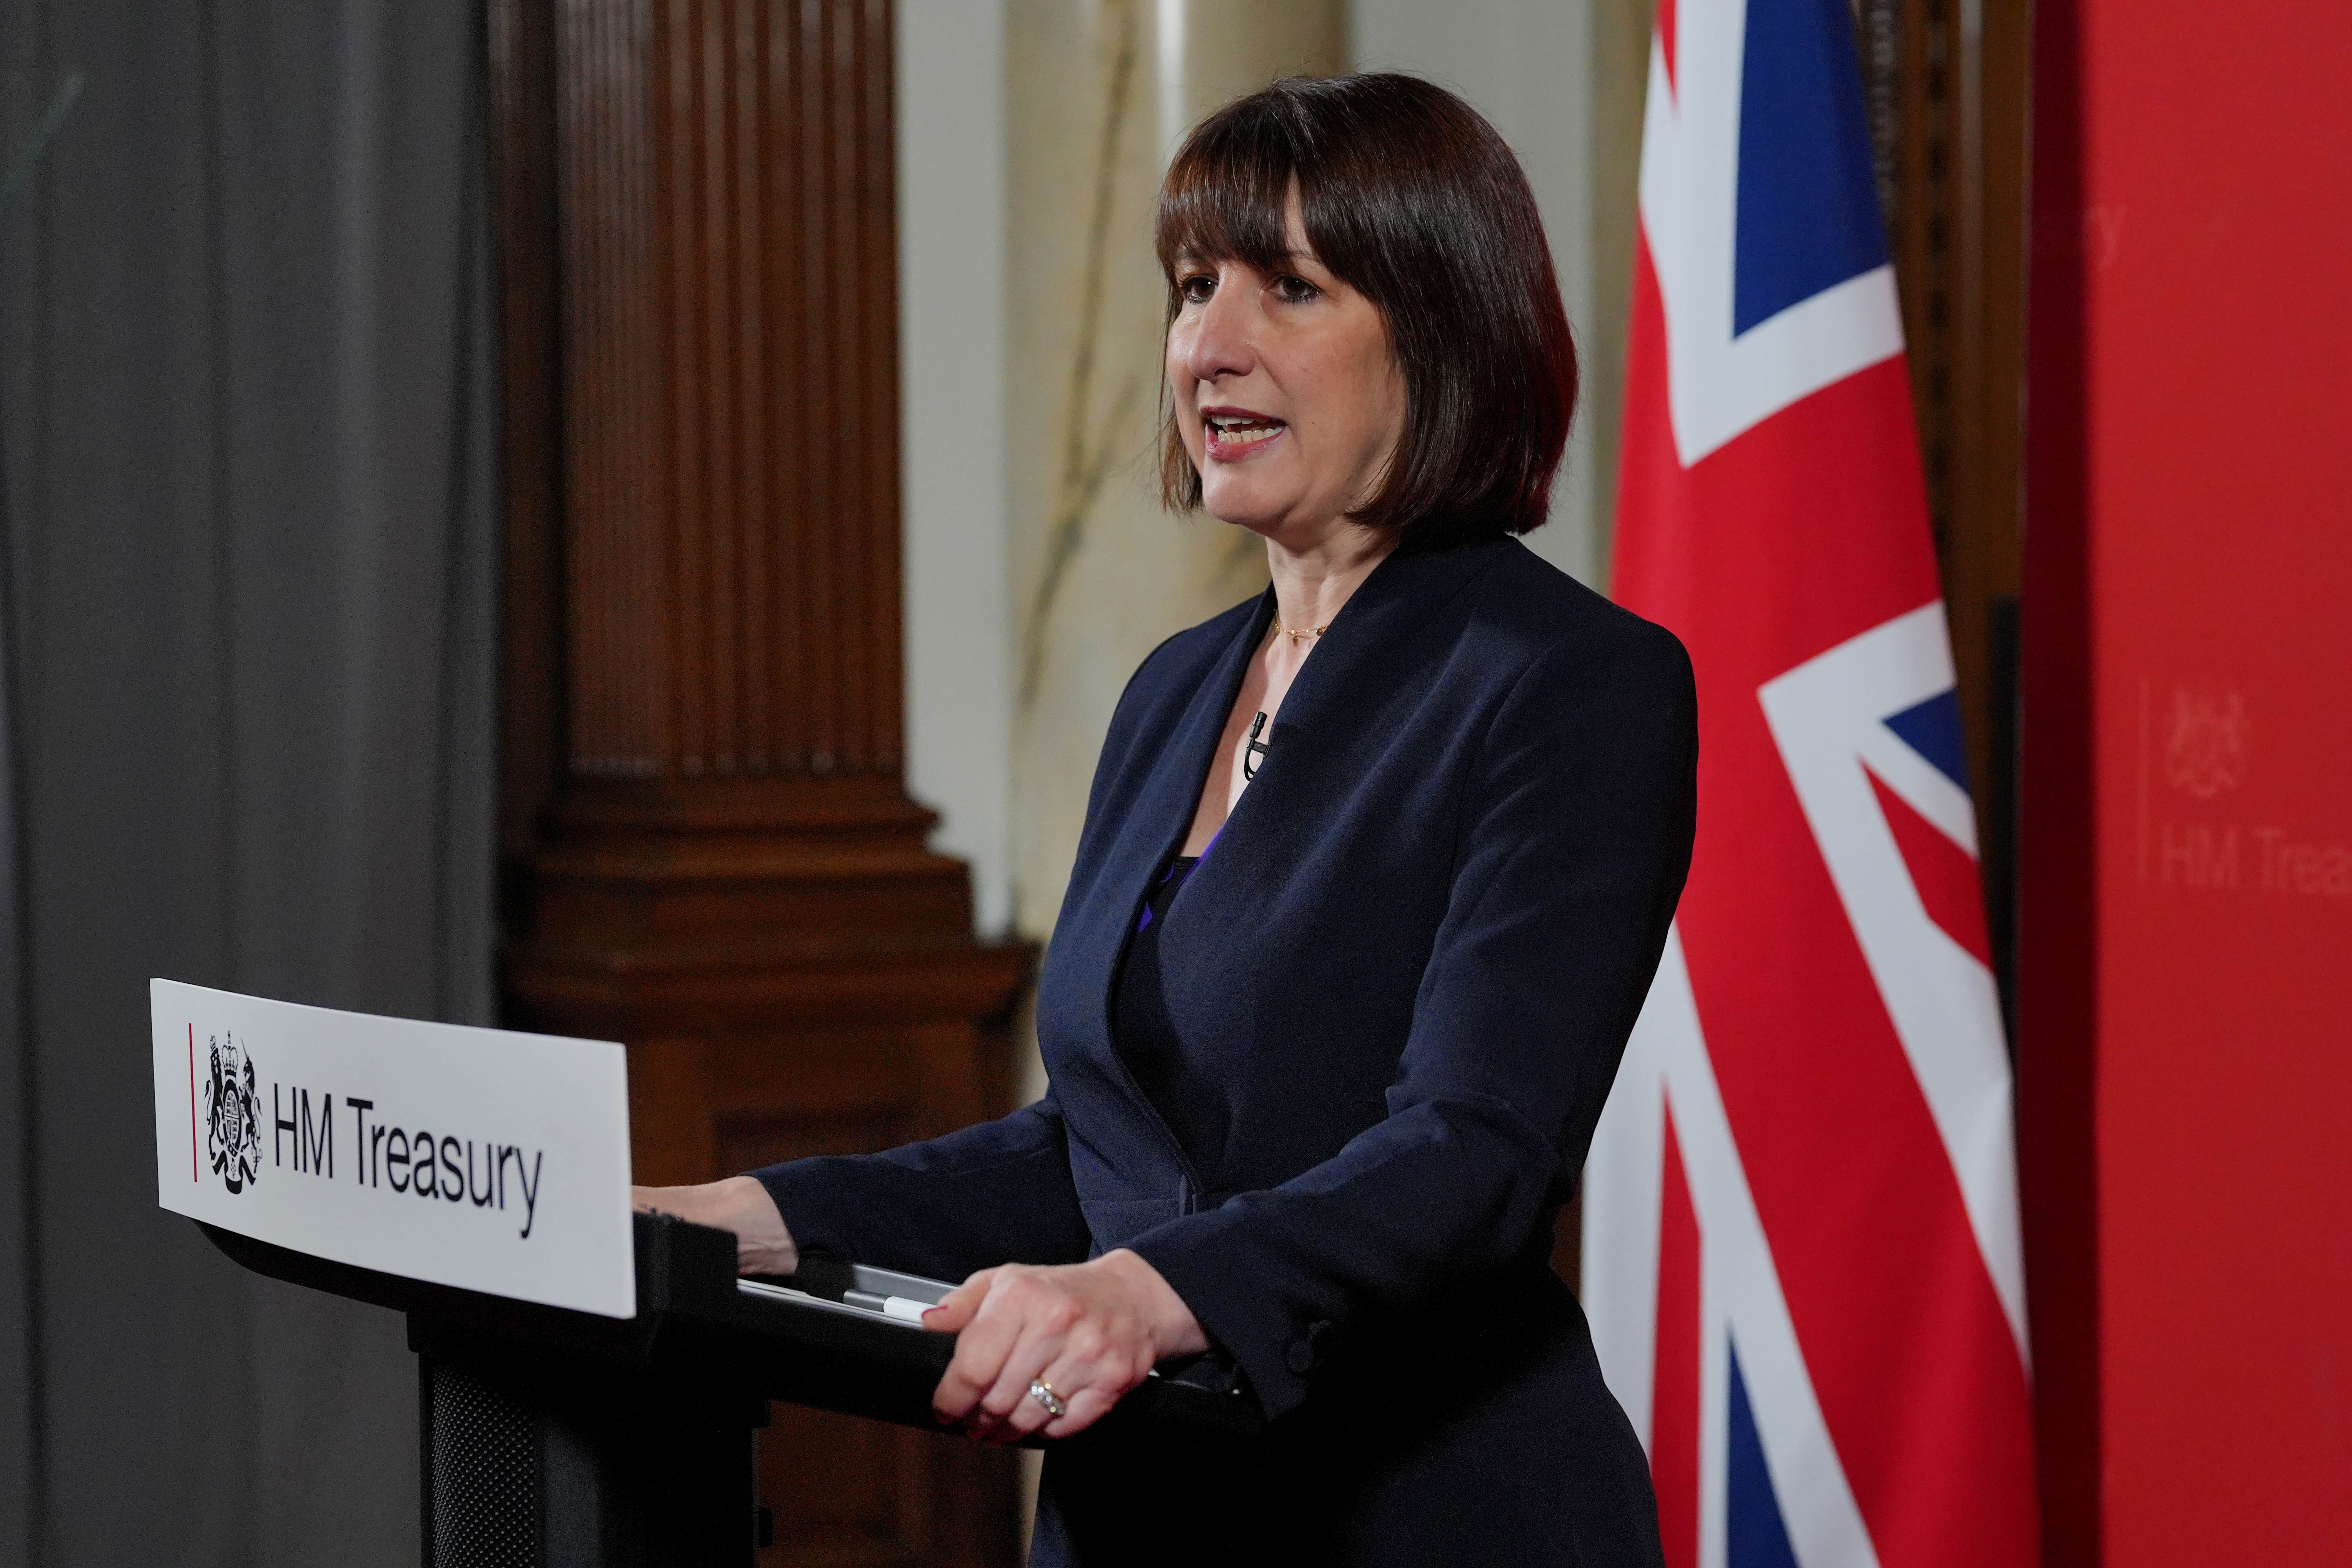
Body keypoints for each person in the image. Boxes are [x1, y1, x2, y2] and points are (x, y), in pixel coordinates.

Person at [636, 73, 1695, 1566]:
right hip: (1142, 1515)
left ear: (1445, 327)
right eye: (1195, 287)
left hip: (1425, 1515)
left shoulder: (1573, 685)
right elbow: (1094, 1148)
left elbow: (1476, 1147)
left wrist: (1140, 1295)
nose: (1210, 345)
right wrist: (735, 1218)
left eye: (1291, 287)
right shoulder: (1177, 690)